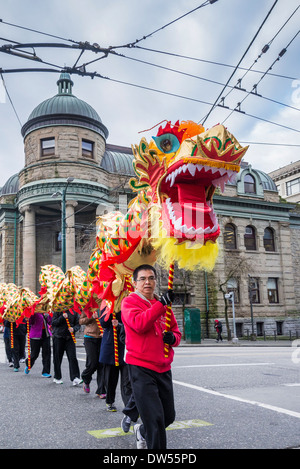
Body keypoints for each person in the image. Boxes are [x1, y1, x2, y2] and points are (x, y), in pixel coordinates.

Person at [121, 264, 182, 450]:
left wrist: (173, 339)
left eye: (151, 278)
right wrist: (161, 305)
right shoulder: (129, 302)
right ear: (134, 283)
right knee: (155, 419)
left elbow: (176, 333)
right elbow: (139, 324)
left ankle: (142, 432)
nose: (147, 282)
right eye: (142, 279)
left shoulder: (163, 304)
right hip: (141, 368)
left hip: (163, 367)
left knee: (168, 417)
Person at [99, 310, 132, 412]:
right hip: (111, 345)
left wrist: (120, 325)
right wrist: (110, 311)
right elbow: (103, 323)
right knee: (111, 378)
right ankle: (110, 401)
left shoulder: (128, 303)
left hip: (126, 345)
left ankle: (128, 406)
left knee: (127, 380)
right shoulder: (108, 305)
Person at [51, 308, 82, 385]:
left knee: (72, 357)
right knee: (57, 357)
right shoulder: (58, 310)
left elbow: (78, 324)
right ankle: (57, 377)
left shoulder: (74, 311)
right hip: (58, 336)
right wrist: (62, 317)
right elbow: (54, 322)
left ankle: (75, 377)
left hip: (70, 338)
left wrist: (74, 329)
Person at [79, 310, 106, 397]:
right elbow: (81, 321)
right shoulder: (88, 305)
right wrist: (91, 317)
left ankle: (101, 390)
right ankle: (86, 378)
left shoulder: (107, 304)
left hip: (103, 337)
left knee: (102, 365)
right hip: (90, 337)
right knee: (92, 363)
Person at [24, 312, 52, 377]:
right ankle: (28, 364)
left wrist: (47, 316)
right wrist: (29, 317)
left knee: (47, 354)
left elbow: (50, 322)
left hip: (46, 334)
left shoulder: (46, 311)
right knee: (34, 354)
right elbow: (30, 323)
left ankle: (45, 371)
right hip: (35, 335)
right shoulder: (34, 311)